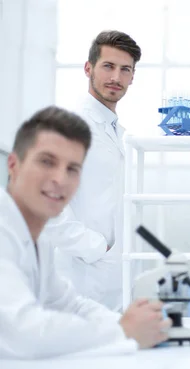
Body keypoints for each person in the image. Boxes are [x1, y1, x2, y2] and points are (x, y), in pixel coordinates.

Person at [0, 106, 171, 359]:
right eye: (47, 162)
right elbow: (26, 333)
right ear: (13, 164)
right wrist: (123, 331)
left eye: (73, 169)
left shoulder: (38, 238)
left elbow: (68, 304)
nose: (60, 178)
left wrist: (128, 321)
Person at [43, 30, 142, 311]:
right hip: (79, 276)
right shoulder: (69, 126)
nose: (116, 78)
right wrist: (96, 248)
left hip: (111, 279)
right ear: (89, 68)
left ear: (132, 77)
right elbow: (45, 203)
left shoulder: (114, 132)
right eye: (108, 66)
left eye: (125, 70)